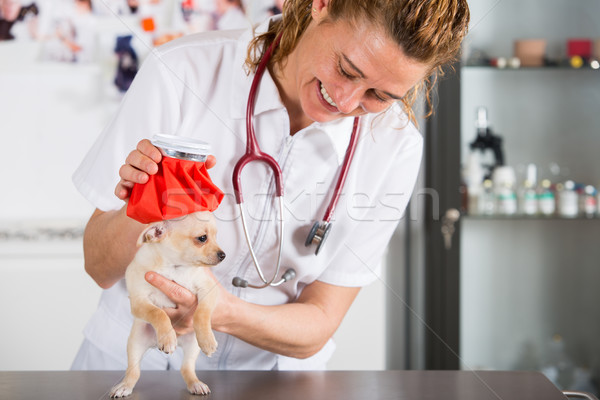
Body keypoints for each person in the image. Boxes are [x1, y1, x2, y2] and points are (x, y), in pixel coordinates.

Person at [71, 0, 470, 371]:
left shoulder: (395, 145)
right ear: (321, 4)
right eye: (347, 69)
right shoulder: (183, 70)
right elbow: (98, 265)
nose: (346, 103)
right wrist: (145, 207)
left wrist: (218, 310)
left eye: (379, 95)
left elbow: (320, 322)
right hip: (137, 364)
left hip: (275, 381)